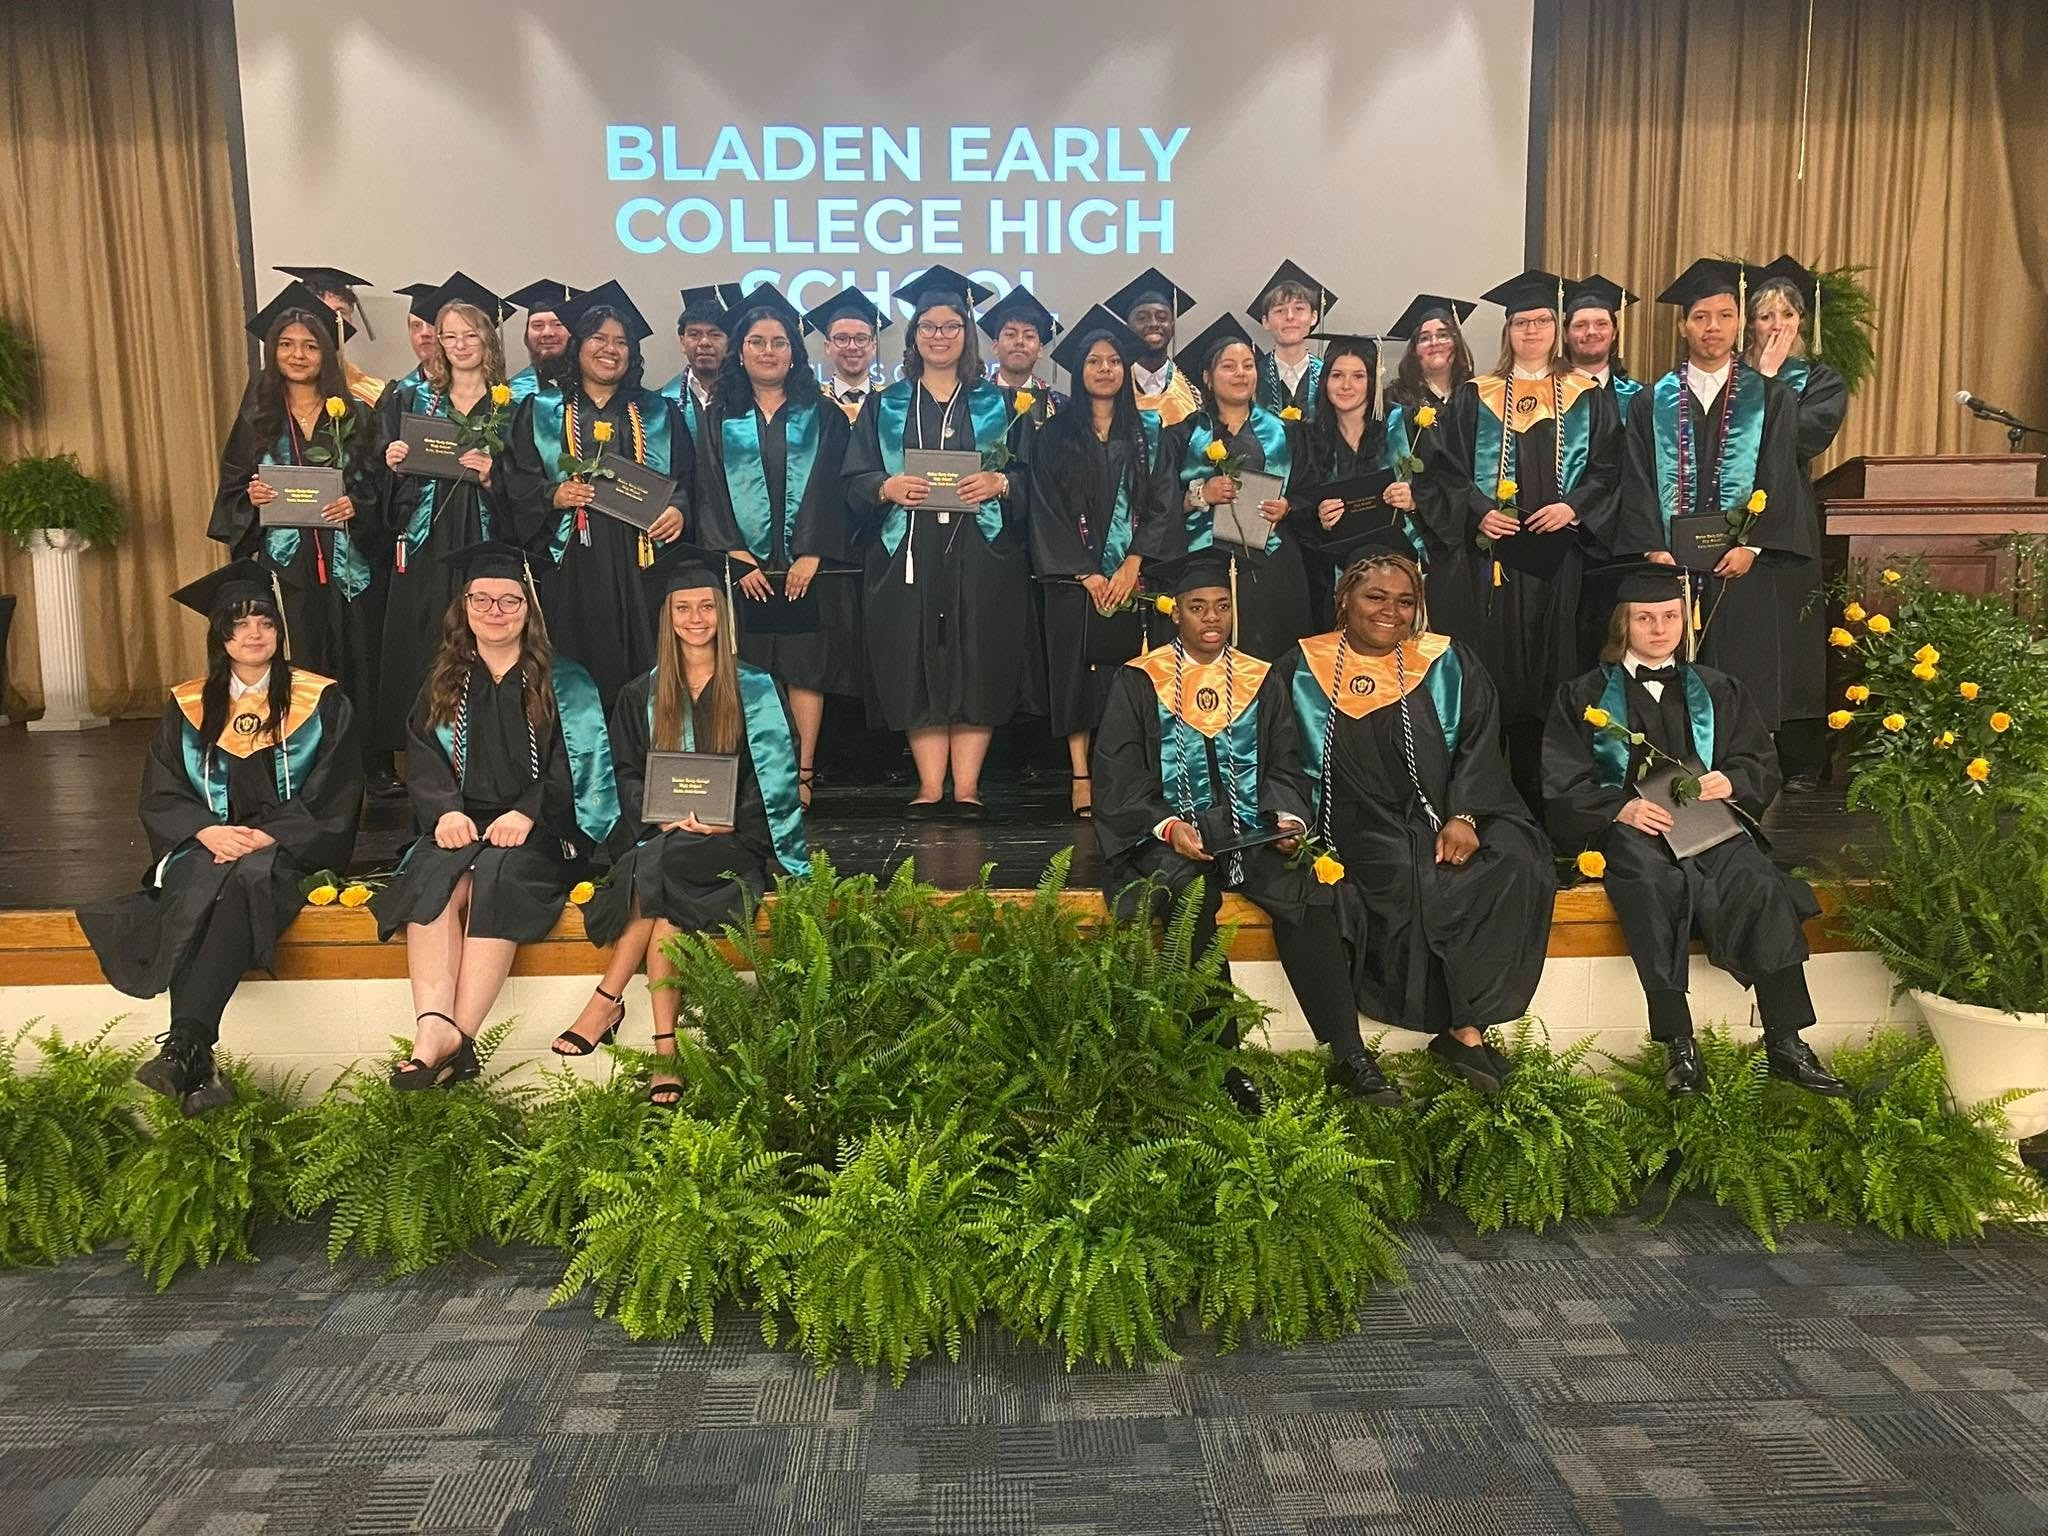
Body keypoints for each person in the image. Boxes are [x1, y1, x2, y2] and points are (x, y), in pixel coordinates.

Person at [1091, 550, 1401, 1111]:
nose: (1211, 618)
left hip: (1248, 832)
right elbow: (1120, 776)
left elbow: (1286, 763)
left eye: (1221, 606)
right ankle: (1223, 1066)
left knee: (1306, 889)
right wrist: (1168, 827)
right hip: (1169, 838)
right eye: (1197, 607)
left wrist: (1286, 819)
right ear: (1176, 613)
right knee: (1189, 898)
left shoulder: (1260, 679)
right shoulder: (1138, 681)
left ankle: (1348, 1054)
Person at [1541, 560, 1845, 1097]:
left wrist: (1732, 781)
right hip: (1636, 828)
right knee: (1651, 885)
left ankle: (1785, 1039)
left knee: (1756, 880)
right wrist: (1619, 810)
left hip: (1708, 823)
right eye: (1645, 618)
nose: (1659, 629)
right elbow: (1562, 779)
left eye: (1670, 616)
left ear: (1686, 621)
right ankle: (1678, 1043)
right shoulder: (1583, 696)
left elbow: (1757, 761)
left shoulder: (1719, 688)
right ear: (1622, 623)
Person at [77, 561, 362, 1115]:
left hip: (284, 847)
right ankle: (196, 1057)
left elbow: (336, 792)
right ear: (220, 635)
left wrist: (265, 835)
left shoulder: (321, 701)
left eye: (265, 621)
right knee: (203, 875)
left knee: (240, 881)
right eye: (240, 623)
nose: (254, 633)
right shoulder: (188, 704)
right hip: (209, 841)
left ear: (279, 632)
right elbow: (163, 789)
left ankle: (185, 1045)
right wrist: (206, 829)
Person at [1271, 544, 1555, 1094]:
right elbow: (1280, 757)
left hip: (1444, 809)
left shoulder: (1446, 661)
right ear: (1345, 598)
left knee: (1517, 859)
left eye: (1405, 601)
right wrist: (1291, 819)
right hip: (1351, 819)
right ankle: (1461, 1031)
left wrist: (1465, 815)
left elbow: (1479, 743)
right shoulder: (1301, 667)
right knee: (1410, 868)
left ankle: (1468, 1025)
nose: (1391, 611)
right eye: (1375, 597)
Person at [559, 544, 810, 1100]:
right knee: (666, 892)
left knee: (658, 866)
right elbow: (624, 772)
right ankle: (665, 1052)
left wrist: (730, 823)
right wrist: (662, 816)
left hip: (731, 844)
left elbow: (776, 774)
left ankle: (606, 1000)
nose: (696, 619)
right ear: (667, 617)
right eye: (683, 608)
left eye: (707, 606)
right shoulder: (641, 694)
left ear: (724, 612)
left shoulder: (757, 690)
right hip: (667, 840)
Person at [369, 540, 618, 1088]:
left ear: (529, 609)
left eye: (509, 600)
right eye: (480, 600)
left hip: (540, 832)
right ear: (464, 608)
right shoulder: (444, 680)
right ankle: (432, 1032)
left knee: (499, 874)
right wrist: (443, 812)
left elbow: (581, 764)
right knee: (436, 875)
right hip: (462, 822)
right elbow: (424, 755)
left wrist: (528, 813)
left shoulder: (565, 681)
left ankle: (459, 1035)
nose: (494, 611)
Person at [841, 265, 1044, 816]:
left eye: (951, 326)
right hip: (907, 549)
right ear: (913, 337)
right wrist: (886, 486)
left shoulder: (1002, 404)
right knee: (917, 657)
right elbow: (854, 478)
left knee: (977, 656)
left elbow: (1035, 479)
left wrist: (1001, 483)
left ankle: (968, 787)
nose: (939, 335)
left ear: (966, 334)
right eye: (928, 326)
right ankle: (931, 786)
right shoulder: (885, 404)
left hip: (982, 550)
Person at [1435, 270, 1622, 810]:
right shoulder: (1475, 397)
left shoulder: (1587, 396)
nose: (1532, 330)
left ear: (1556, 329)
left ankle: (1551, 801)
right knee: (1495, 672)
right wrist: (1479, 513)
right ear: (1508, 331)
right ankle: (1489, 800)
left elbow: (1610, 469)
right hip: (1494, 564)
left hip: (1562, 561)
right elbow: (1444, 472)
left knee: (1557, 671)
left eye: (1542, 321)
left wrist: (1574, 507)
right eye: (1522, 322)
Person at [1615, 259, 1812, 741]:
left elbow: (1779, 476)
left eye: (1725, 315)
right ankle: (1671, 769)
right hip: (1670, 571)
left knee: (1744, 673)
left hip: (1742, 570)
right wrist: (1652, 548)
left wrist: (1752, 546)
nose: (1713, 328)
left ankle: (1742, 774)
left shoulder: (1771, 398)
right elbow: (1636, 479)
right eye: (1701, 317)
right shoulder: (1651, 401)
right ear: (1684, 326)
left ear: (1739, 323)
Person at [691, 288, 858, 806]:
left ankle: (802, 776)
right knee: (749, 671)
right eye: (757, 342)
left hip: (807, 568)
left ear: (794, 352)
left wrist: (813, 551)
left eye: (779, 342)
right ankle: (757, 777)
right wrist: (733, 553)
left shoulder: (824, 415)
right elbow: (707, 488)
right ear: (740, 351)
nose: (768, 351)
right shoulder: (718, 416)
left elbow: (833, 487)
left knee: (807, 673)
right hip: (745, 571)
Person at [209, 281, 385, 774]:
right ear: (273, 352)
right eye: (286, 345)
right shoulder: (257, 415)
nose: (298, 355)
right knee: (296, 652)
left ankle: (368, 762)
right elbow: (234, 482)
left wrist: (357, 504)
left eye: (310, 346)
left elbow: (377, 481)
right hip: (287, 565)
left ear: (326, 353)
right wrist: (252, 498)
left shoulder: (354, 411)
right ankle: (296, 758)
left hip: (348, 560)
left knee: (358, 655)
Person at [503, 279, 690, 709]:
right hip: (570, 563)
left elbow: (686, 481)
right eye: (599, 339)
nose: (610, 349)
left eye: (621, 342)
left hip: (640, 564)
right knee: (571, 668)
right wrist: (552, 495)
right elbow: (516, 480)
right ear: (578, 346)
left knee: (645, 665)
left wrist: (678, 510)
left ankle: (640, 747)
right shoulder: (542, 410)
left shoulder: (659, 412)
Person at [372, 274, 514, 793]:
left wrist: (494, 477)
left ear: (487, 339)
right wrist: (393, 464)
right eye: (449, 335)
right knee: (426, 646)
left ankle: (487, 762)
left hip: (484, 540)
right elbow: (382, 486)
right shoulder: (413, 401)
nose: (459, 345)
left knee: (483, 643)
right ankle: (428, 768)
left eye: (470, 335)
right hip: (426, 543)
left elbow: (530, 483)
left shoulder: (512, 406)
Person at [1028, 305, 1165, 818]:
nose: (1104, 369)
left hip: (1134, 580)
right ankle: (1081, 775)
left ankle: (1125, 775)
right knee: (1075, 677)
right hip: (1074, 582)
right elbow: (1043, 508)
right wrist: (1085, 572)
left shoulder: (1150, 433)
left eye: (1113, 361)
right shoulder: (1053, 435)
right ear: (1079, 371)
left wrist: (1132, 563)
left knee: (1127, 676)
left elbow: (1163, 503)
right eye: (1093, 361)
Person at [1156, 313, 1315, 661]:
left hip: (1271, 565)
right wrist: (1200, 495)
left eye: (1248, 365)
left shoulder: (1287, 432)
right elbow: (1160, 505)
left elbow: (1309, 493)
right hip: (1202, 563)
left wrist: (1288, 506)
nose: (1241, 373)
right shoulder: (1181, 436)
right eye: (1228, 366)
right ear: (1207, 378)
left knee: (1270, 656)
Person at [1746, 254, 1848, 787]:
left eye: (1786, 314)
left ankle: (1799, 761)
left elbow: (1801, 439)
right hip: (1730, 520)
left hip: (1789, 520)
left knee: (1793, 638)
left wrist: (1770, 383)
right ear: (1750, 323)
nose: (1776, 325)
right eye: (1765, 315)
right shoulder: (1727, 377)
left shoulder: (1821, 380)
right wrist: (1758, 379)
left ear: (1803, 320)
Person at [274, 264, 385, 405]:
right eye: (321, 311)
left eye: (340, 313)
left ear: (351, 320)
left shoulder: (372, 391)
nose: (330, 321)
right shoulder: (270, 390)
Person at [1105, 267, 1202, 425]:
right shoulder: (1111, 385)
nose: (1153, 324)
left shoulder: (1194, 391)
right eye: (1142, 318)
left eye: (1162, 317)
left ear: (1173, 327)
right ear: (1128, 328)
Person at [1249, 260, 1335, 421]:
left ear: (1314, 317)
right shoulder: (1252, 377)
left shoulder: (1329, 375)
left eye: (1299, 309)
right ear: (1265, 322)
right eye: (1280, 310)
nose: (1290, 316)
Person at [660, 282, 743, 435]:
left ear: (731, 342)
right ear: (682, 342)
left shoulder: (749, 396)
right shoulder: (662, 402)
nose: (704, 342)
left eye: (715, 334)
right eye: (694, 334)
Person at [980, 283, 1066, 426]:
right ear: (995, 346)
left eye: (1029, 336)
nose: (1019, 341)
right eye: (1010, 334)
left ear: (1040, 350)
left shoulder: (1061, 408)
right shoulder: (974, 401)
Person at [804, 286, 890, 422]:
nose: (852, 346)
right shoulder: (811, 405)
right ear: (828, 346)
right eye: (842, 339)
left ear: (873, 347)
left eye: (861, 339)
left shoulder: (891, 403)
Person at [1565, 274, 1643, 423]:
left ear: (1614, 333)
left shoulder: (1638, 396)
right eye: (1580, 325)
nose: (1591, 332)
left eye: (1601, 324)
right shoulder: (1548, 396)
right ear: (1565, 335)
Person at [503, 279, 584, 404]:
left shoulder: (593, 383)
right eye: (537, 325)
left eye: (558, 324)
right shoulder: (513, 393)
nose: (547, 333)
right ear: (527, 335)